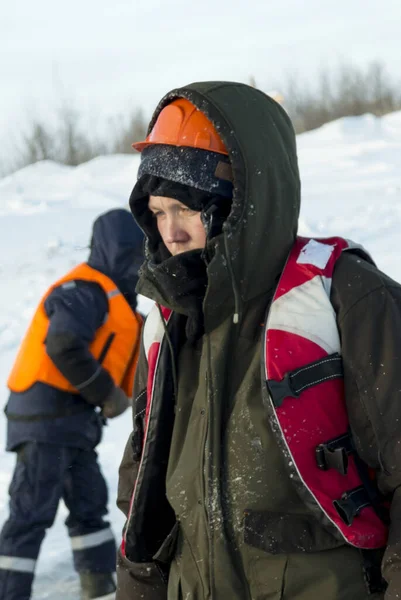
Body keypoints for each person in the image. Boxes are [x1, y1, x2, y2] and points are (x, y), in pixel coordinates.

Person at [116, 82, 401, 600]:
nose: (170, 233)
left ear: (242, 202)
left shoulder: (342, 297)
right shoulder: (168, 320)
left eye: (187, 209)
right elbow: (143, 491)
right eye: (158, 212)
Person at [0, 208, 144, 600]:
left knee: (89, 505)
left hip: (71, 422)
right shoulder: (84, 291)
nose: (140, 264)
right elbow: (63, 345)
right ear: (117, 251)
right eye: (135, 255)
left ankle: (99, 588)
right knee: (31, 513)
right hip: (45, 418)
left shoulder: (122, 304)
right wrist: (107, 394)